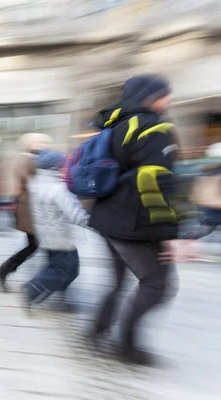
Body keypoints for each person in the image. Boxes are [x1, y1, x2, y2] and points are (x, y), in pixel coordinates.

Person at [87, 74, 185, 365]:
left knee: (117, 283)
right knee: (157, 285)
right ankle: (126, 345)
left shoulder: (114, 125)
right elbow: (154, 180)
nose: (167, 100)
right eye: (164, 94)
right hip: (134, 223)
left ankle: (96, 331)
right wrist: (168, 233)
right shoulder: (154, 127)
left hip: (106, 218)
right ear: (150, 96)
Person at [21, 150, 89, 311]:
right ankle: (32, 289)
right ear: (54, 167)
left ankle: (55, 298)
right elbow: (74, 213)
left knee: (57, 268)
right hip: (61, 237)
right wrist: (90, 222)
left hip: (46, 235)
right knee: (69, 270)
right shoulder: (58, 189)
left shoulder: (36, 185)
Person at [0, 133, 53, 291]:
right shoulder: (29, 161)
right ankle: (5, 272)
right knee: (38, 245)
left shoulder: (34, 160)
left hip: (33, 208)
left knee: (34, 245)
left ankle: (4, 271)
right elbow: (34, 184)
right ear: (31, 144)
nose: (45, 145)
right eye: (41, 142)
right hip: (31, 209)